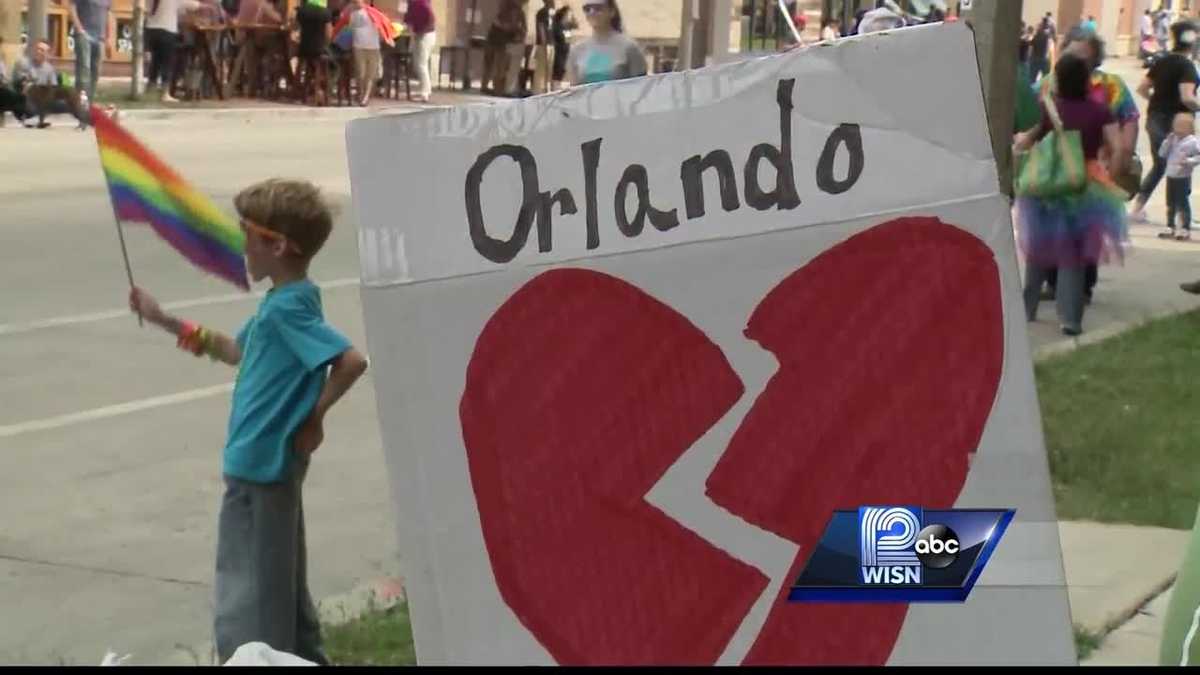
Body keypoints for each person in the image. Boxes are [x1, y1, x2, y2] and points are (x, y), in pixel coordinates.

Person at [127, 179, 370, 666]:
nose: (240, 245)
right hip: (260, 468)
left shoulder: (288, 311)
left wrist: (314, 417)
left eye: (246, 233)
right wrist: (164, 320)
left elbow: (351, 361)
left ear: (277, 245)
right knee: (278, 590)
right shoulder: (282, 305)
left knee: (251, 604)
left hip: (263, 468)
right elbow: (235, 350)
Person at [1014, 53, 1128, 337]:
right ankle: (1070, 319)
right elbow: (1119, 148)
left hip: (1048, 185)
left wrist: (1020, 145)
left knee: (1038, 249)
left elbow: (1029, 140)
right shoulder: (1100, 111)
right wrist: (1110, 175)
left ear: (1059, 79)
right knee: (1073, 257)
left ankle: (1026, 309)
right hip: (1084, 185)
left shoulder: (1049, 108)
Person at [1031, 29, 1139, 305]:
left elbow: (1129, 117)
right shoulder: (1046, 85)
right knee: (1054, 228)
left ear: (1095, 59)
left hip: (1093, 169)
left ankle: (1081, 287)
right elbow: (1033, 123)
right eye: (1072, 53)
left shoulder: (1110, 85)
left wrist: (1123, 155)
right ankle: (1056, 284)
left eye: (1084, 55)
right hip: (1054, 171)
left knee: (1085, 230)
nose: (1077, 60)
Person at [1130, 21, 1200, 224]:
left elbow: (1143, 88)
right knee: (1181, 165)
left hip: (1155, 119)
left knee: (1160, 165)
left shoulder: (1162, 61)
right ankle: (1181, 216)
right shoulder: (1187, 66)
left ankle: (1137, 209)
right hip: (1177, 124)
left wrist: (1158, 101)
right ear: (1191, 39)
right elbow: (1187, 97)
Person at [147, 0, 214, 102]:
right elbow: (190, 4)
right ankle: (164, 93)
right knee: (167, 63)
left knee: (155, 61)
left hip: (151, 29)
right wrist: (206, 6)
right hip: (167, 30)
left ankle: (150, 88)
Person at [12, 41, 90, 129]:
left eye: (42, 50)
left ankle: (83, 118)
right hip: (27, 97)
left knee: (64, 99)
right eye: (37, 49)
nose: (39, 52)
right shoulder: (24, 63)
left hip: (43, 99)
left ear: (47, 54)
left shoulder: (49, 68)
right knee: (31, 98)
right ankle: (30, 117)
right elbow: (18, 82)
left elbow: (53, 89)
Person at [567, 1, 646, 86]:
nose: (592, 12)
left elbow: (641, 89)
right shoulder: (577, 50)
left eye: (598, 8)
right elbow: (574, 91)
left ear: (612, 12)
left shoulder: (629, 47)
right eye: (587, 9)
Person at [1156, 112, 1200, 241]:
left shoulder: (1193, 142)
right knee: (1170, 203)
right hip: (1171, 175)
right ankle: (1170, 225)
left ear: (1190, 128)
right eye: (1176, 125)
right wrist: (1167, 143)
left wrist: (1189, 161)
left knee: (1182, 203)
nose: (1178, 129)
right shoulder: (1172, 139)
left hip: (1183, 176)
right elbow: (1162, 154)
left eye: (1182, 126)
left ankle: (1185, 228)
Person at [69, 0, 110, 105]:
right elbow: (72, 7)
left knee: (95, 73)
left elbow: (108, 14)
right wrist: (79, 29)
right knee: (84, 71)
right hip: (85, 35)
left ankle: (89, 105)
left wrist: (108, 37)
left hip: (100, 37)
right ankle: (81, 106)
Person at [483, 0, 528, 96]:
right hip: (499, 41)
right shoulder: (510, 11)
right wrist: (516, 30)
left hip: (503, 42)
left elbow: (521, 28)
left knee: (499, 67)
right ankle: (495, 88)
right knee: (497, 66)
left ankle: (497, 89)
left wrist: (518, 32)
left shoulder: (516, 12)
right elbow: (505, 26)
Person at [296, 0, 333, 106]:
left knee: (309, 65)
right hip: (319, 49)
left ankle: (304, 91)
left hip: (304, 48)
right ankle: (321, 91)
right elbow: (329, 34)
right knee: (332, 64)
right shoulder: (325, 12)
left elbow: (296, 28)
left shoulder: (302, 11)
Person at [404, 0, 436, 102]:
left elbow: (431, 19)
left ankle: (425, 92)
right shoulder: (412, 5)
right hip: (421, 35)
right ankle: (426, 89)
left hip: (425, 35)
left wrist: (420, 33)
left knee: (421, 64)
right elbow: (408, 20)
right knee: (419, 64)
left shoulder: (421, 3)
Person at [550, 4, 578, 90]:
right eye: (568, 15)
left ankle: (558, 87)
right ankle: (554, 88)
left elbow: (576, 25)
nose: (569, 17)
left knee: (563, 71)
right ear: (563, 15)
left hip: (566, 52)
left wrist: (573, 18)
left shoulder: (567, 27)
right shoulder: (557, 26)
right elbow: (559, 39)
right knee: (558, 71)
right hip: (559, 52)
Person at [533, 0, 555, 94]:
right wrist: (544, 42)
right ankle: (537, 90)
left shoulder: (551, 13)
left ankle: (546, 88)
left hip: (551, 43)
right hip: (543, 44)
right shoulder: (542, 12)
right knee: (541, 68)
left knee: (549, 67)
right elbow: (541, 27)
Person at [1030, 14, 1056, 82]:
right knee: (1045, 80)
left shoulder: (1037, 33)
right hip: (1044, 58)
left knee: (1032, 79)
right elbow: (1051, 50)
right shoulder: (1048, 34)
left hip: (1035, 58)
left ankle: (1033, 91)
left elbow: (1031, 45)